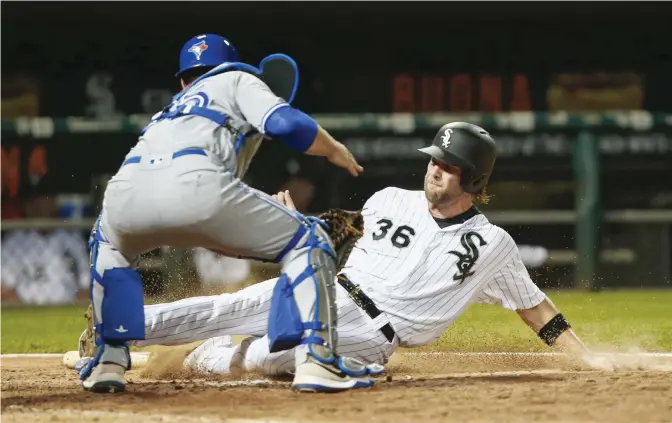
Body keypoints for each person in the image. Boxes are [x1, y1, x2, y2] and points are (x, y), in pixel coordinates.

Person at [115, 122, 616, 379]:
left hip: (375, 333)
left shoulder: (492, 245)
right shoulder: (390, 199)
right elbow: (335, 232)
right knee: (221, 308)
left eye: (448, 164)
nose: (434, 169)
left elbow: (536, 310)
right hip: (329, 290)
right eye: (433, 160)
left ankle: (194, 356)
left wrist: (585, 358)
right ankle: (109, 335)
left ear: (475, 179)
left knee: (270, 357)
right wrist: (290, 221)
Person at [79, 33, 380, 394]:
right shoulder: (237, 78)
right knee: (312, 238)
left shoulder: (170, 111)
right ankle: (317, 361)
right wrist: (332, 148)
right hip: (198, 184)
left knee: (109, 247)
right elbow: (287, 125)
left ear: (182, 81)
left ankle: (109, 360)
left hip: (124, 196)